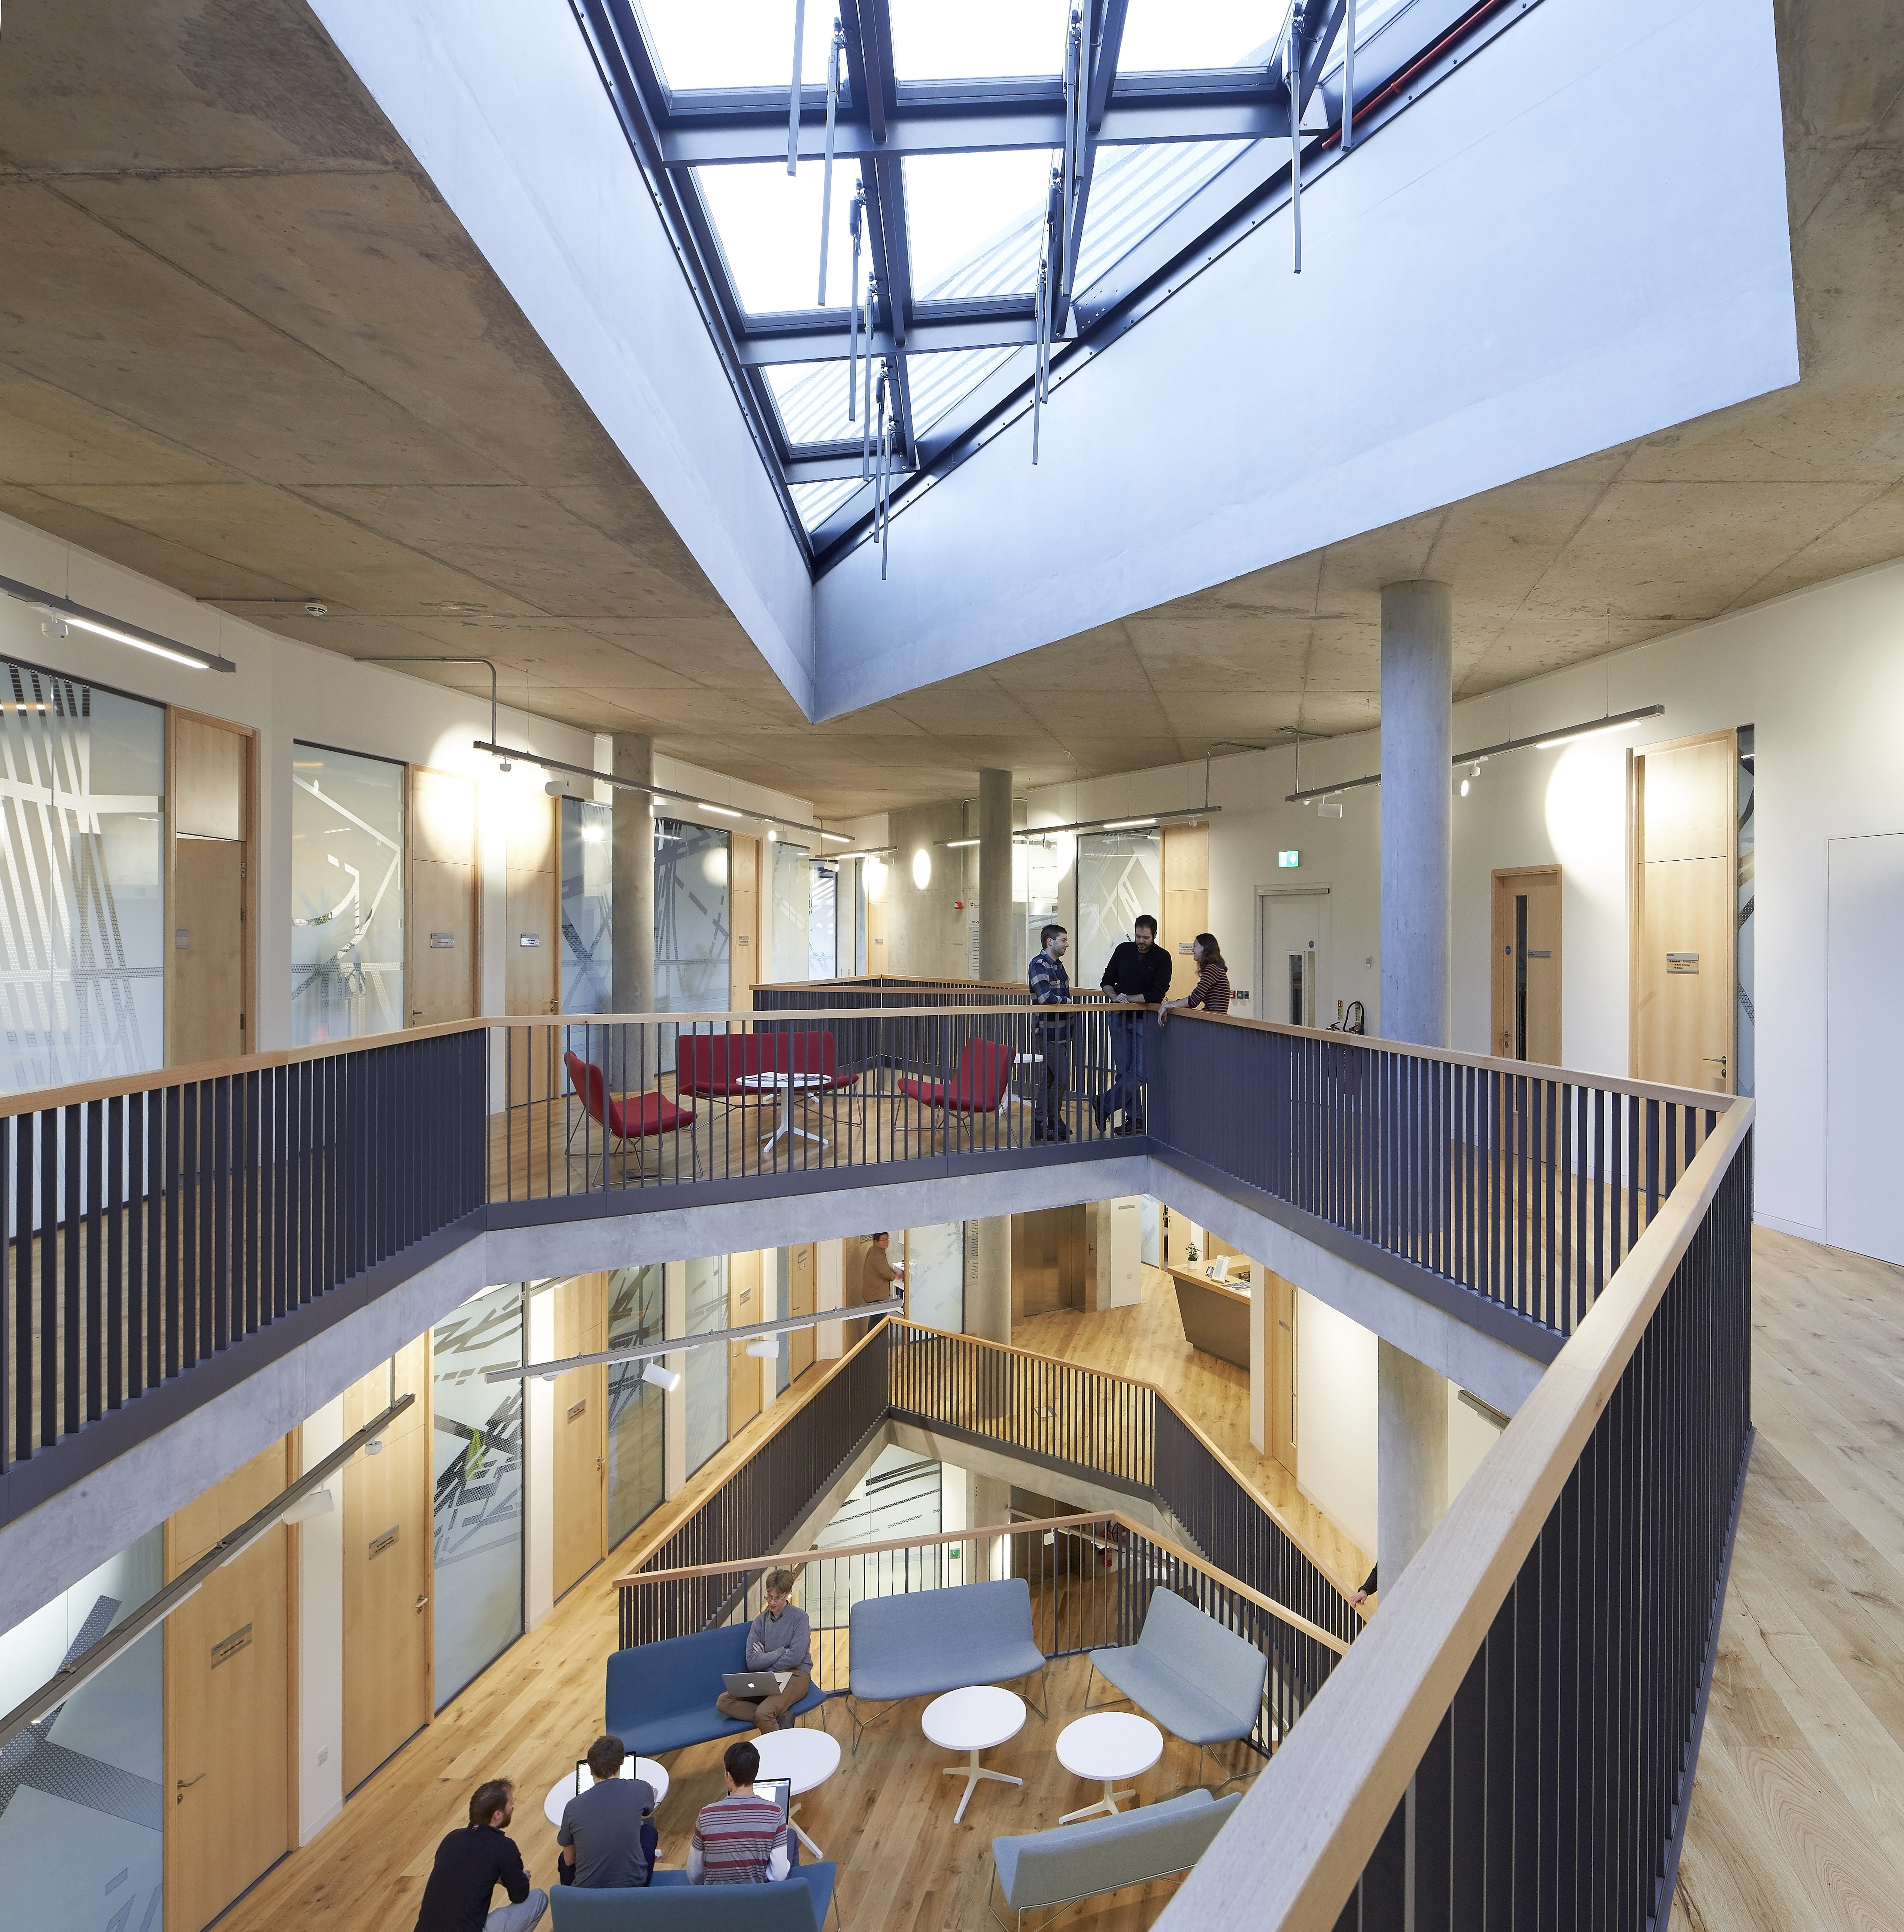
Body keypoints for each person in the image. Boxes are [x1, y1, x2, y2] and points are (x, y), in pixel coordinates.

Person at [413, 1778, 546, 1932]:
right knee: (539, 1899)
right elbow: (519, 1896)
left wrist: (494, 1877)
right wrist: (518, 1877)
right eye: (511, 1803)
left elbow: (457, 1876)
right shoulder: (503, 1846)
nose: (513, 1806)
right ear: (498, 1814)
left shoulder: (451, 1839)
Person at [1094, 913, 1172, 1134]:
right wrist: (1114, 997)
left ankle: (1105, 1104)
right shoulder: (1122, 950)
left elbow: (1157, 993)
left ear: (1155, 936)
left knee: (1140, 1073)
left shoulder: (1163, 958)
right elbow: (1107, 982)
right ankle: (1135, 1121)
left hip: (1142, 1021)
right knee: (1124, 1071)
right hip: (1118, 1018)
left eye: (1145, 938)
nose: (1140, 941)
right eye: (1138, 936)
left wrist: (1129, 998)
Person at [715, 1568, 813, 1732]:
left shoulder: (800, 1618)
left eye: (778, 1598)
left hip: (796, 1675)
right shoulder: (760, 1621)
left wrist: (764, 1659)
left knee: (765, 1712)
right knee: (724, 1701)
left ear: (788, 1594)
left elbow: (795, 1659)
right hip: (768, 1676)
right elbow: (752, 1662)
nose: (772, 1603)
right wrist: (780, 1652)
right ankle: (781, 1718)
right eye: (769, 1597)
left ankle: (777, 1753)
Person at [688, 1739, 796, 1885]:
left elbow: (694, 1874)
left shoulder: (706, 1815)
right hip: (757, 1901)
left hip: (715, 1902)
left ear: (729, 1776)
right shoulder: (775, 1813)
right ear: (755, 1773)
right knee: (791, 1836)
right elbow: (778, 1876)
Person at [556, 1734, 657, 1889]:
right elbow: (649, 1809)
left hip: (588, 1892)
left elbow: (570, 1860)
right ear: (622, 1762)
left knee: (562, 1859)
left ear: (590, 1769)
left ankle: (571, 1896)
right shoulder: (641, 1789)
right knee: (649, 1831)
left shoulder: (573, 1807)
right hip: (634, 1884)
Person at [1026, 922, 1073, 1143]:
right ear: (1050, 942)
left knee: (1051, 1079)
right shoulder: (1038, 965)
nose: (1067, 944)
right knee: (1062, 1079)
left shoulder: (1058, 966)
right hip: (1046, 1033)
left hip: (1062, 1032)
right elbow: (1046, 998)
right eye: (1063, 940)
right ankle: (1051, 1120)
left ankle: (1043, 1123)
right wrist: (1068, 1002)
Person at [1157, 934, 1232, 1025]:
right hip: (1215, 1022)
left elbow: (1194, 1000)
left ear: (1205, 948)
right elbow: (1194, 1001)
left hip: (1213, 1023)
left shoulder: (1212, 969)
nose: (1192, 949)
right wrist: (1170, 1004)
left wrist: (1169, 1005)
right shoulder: (1217, 969)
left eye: (1195, 946)